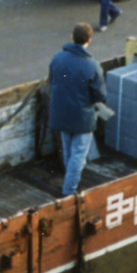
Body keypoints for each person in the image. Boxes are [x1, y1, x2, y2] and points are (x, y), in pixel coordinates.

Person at [48, 22, 106, 196]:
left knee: (68, 152)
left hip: (60, 113)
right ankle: (69, 190)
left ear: (72, 37)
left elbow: (52, 82)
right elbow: (99, 96)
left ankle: (70, 180)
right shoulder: (92, 66)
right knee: (78, 155)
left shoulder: (57, 58)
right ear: (89, 40)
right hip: (82, 118)